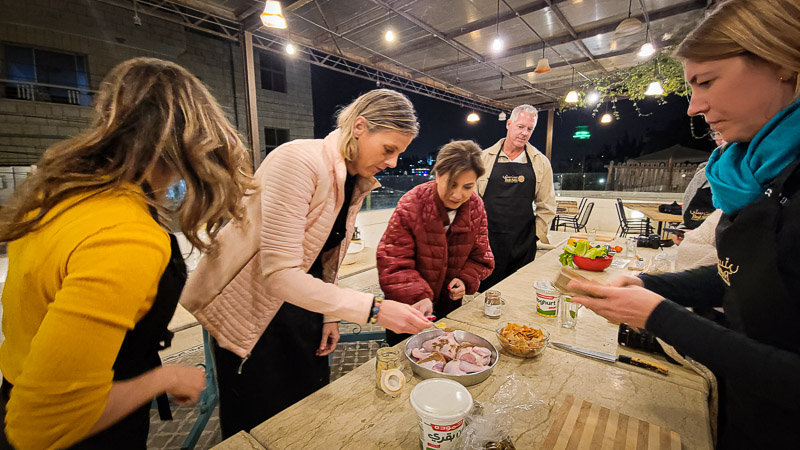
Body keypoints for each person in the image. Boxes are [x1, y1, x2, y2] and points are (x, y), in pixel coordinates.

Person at [569, 1, 800, 447]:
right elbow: (747, 277)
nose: (694, 106)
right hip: (747, 411)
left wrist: (660, 316)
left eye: (707, 82)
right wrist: (650, 283)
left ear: (782, 62)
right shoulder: (754, 173)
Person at [0, 57, 253, 449]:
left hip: (13, 384)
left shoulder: (57, 198)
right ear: (191, 137)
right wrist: (164, 378)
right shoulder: (125, 234)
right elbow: (41, 424)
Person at [179, 89, 432, 437]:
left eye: (399, 154)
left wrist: (327, 315)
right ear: (359, 127)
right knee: (259, 424)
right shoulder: (299, 161)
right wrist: (375, 309)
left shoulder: (352, 178)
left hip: (302, 305)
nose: (392, 162)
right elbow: (279, 275)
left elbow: (324, 259)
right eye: (389, 149)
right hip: (251, 313)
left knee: (305, 411)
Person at [377, 140, 495, 346]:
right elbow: (392, 261)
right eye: (452, 184)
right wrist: (418, 295)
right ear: (438, 175)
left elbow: (481, 258)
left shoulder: (475, 206)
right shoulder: (412, 203)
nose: (458, 194)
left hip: (449, 309)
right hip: (408, 309)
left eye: (467, 186)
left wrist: (465, 280)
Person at [476, 104, 556, 290]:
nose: (524, 133)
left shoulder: (540, 162)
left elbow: (547, 205)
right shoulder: (483, 158)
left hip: (523, 244)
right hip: (487, 242)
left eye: (530, 129)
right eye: (520, 126)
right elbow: (472, 202)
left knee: (517, 292)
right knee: (484, 297)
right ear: (509, 124)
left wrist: (535, 236)